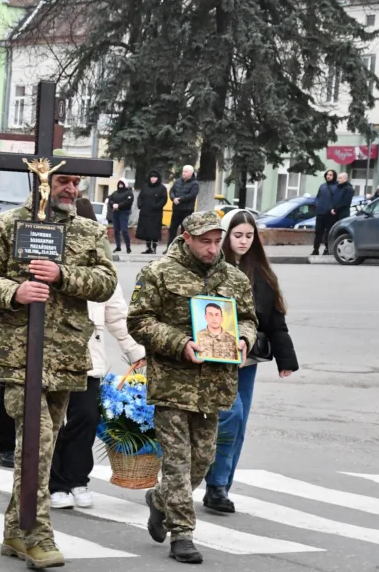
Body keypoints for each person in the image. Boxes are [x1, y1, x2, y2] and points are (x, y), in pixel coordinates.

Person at [0, 172, 117, 569]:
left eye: (75, 182)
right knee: (38, 441)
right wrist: (14, 291)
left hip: (66, 355)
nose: (71, 188)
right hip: (21, 356)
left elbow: (106, 282)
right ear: (40, 181)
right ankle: (38, 534)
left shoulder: (87, 230)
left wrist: (63, 275)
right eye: (63, 180)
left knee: (39, 448)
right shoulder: (8, 224)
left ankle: (15, 530)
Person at [127, 211, 257, 564]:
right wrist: (179, 343)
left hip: (214, 386)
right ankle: (182, 534)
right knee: (178, 462)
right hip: (173, 384)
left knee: (201, 461)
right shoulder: (157, 272)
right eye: (205, 242)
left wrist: (243, 339)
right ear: (187, 238)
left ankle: (159, 499)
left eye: (217, 241)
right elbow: (138, 321)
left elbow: (248, 319)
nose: (212, 249)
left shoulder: (233, 277)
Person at [49, 198, 145, 511]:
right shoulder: (51, 262)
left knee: (86, 418)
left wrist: (136, 351)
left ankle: (77, 479)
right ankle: (54, 483)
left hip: (89, 359)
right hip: (52, 358)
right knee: (50, 423)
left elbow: (118, 316)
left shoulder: (103, 271)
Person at [203, 209, 298, 514]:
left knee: (239, 423)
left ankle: (220, 488)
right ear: (226, 236)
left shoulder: (262, 274)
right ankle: (215, 483)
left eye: (249, 236)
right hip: (216, 359)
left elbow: (275, 321)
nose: (243, 241)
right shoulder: (211, 268)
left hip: (248, 361)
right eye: (237, 235)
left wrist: (286, 360)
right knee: (231, 415)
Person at [165, 165, 199, 248]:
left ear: (191, 173)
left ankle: (182, 248)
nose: (183, 173)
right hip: (176, 209)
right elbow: (172, 191)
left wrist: (180, 199)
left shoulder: (195, 183)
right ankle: (170, 247)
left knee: (184, 230)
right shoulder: (177, 182)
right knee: (172, 229)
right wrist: (173, 198)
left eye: (186, 171)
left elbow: (192, 195)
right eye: (183, 171)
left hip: (187, 210)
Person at [136, 170, 168, 254]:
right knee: (146, 230)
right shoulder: (145, 187)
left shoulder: (162, 188)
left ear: (158, 178)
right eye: (151, 177)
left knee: (154, 230)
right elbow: (140, 197)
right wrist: (140, 205)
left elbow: (164, 199)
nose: (153, 179)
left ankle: (154, 248)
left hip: (155, 213)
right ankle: (148, 247)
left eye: (155, 177)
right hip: (145, 212)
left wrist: (157, 206)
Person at [311, 169, 338, 256]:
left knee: (329, 232)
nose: (328, 176)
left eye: (330, 175)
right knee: (318, 232)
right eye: (327, 174)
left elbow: (337, 200)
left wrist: (332, 208)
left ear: (334, 176)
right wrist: (317, 205)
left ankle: (327, 249)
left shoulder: (337, 186)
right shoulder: (322, 186)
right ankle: (315, 249)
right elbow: (318, 197)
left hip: (330, 214)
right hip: (320, 213)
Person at [108, 178, 134, 253]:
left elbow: (128, 201)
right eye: (119, 184)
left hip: (124, 212)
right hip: (116, 212)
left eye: (122, 184)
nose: (120, 185)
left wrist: (119, 205)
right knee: (116, 230)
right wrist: (113, 204)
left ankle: (128, 247)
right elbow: (110, 200)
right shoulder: (115, 193)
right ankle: (118, 246)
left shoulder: (129, 193)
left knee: (124, 230)